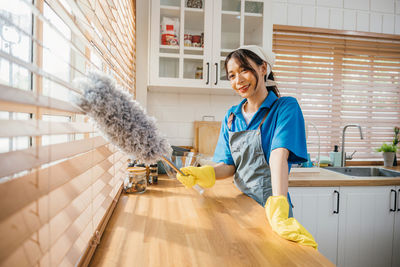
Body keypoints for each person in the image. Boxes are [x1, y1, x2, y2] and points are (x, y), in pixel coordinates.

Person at [176, 45, 317, 249]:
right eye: (231, 75)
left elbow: (278, 157)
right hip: (241, 203)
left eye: (244, 70)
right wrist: (203, 173)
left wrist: (279, 207)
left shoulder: (285, 107)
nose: (238, 80)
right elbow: (228, 166)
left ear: (263, 68)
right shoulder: (232, 116)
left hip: (272, 208)